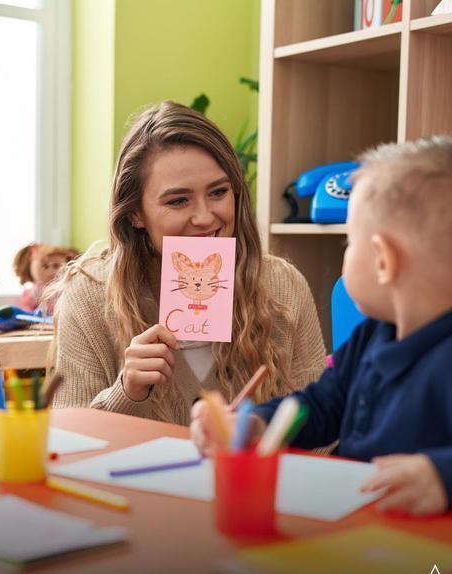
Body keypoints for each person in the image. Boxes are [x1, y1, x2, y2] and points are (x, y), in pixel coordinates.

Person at [191, 136, 452, 515]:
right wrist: (260, 421)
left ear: (384, 260)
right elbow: (321, 405)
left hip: (423, 563)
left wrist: (445, 478)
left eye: (350, 243)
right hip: (354, 528)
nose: (346, 257)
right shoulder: (374, 334)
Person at [48, 101, 328, 425]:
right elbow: (73, 445)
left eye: (218, 192)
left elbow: (321, 435)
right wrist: (127, 392)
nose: (206, 217)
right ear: (136, 213)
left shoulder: (283, 288)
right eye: (178, 200)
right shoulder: (89, 296)